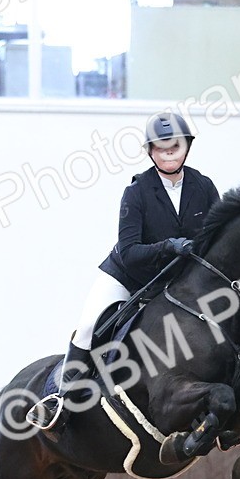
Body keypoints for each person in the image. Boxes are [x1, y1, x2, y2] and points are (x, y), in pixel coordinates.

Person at [28, 111, 220, 433]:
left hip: (173, 284)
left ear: (187, 147)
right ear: (150, 152)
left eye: (175, 146)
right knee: (89, 326)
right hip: (128, 277)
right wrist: (168, 246)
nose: (169, 153)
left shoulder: (204, 187)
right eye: (161, 148)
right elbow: (129, 252)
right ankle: (58, 402)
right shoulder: (137, 192)